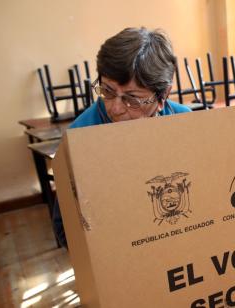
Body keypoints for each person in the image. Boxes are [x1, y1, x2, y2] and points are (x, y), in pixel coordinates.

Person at [53, 27, 191, 247]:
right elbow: (64, 231)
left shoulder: (186, 123)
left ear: (163, 96)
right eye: (107, 92)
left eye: (132, 99)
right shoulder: (80, 139)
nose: (115, 109)